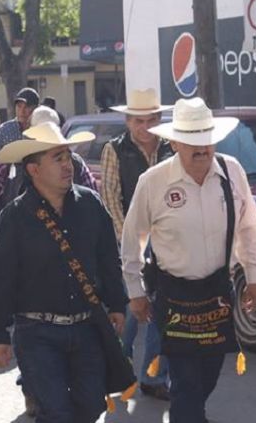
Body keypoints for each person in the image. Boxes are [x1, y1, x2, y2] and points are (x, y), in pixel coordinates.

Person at [121, 98, 256, 423]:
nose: (202, 148)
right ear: (173, 142)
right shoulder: (154, 181)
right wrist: (135, 291)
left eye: (206, 139)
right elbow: (132, 239)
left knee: (208, 376)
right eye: (192, 141)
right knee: (186, 383)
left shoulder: (232, 172)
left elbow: (250, 226)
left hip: (217, 294)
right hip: (173, 295)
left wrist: (253, 276)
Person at [0, 121, 127, 423]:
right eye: (58, 158)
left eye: (68, 157)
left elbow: (108, 258)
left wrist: (117, 303)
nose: (68, 165)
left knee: (91, 407)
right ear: (33, 169)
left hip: (87, 327)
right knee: (56, 413)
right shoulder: (16, 216)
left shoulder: (90, 203)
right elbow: (1, 280)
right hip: (37, 334)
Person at [100, 88, 174, 399]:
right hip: (129, 241)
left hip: (168, 242)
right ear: (129, 122)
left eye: (150, 120)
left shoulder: (171, 148)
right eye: (138, 121)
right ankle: (119, 368)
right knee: (131, 309)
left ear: (159, 120)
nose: (144, 127)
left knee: (162, 311)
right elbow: (111, 199)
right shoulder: (114, 150)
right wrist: (130, 241)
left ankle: (152, 378)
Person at [0, 106, 97, 246]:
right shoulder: (10, 163)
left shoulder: (76, 163)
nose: (65, 164)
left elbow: (94, 206)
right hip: (21, 245)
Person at [0, 87, 40, 177]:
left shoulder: (42, 132)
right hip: (8, 187)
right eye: (19, 106)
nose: (22, 111)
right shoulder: (3, 133)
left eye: (27, 107)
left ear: (36, 109)